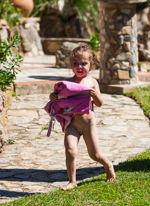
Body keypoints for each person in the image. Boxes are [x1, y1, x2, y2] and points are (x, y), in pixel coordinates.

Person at [49, 44, 115, 190]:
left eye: (83, 63)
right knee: (70, 151)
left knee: (95, 154)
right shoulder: (68, 83)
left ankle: (108, 165)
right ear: (71, 65)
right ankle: (72, 181)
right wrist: (52, 96)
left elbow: (100, 103)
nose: (79, 66)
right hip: (72, 123)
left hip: (88, 124)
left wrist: (94, 96)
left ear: (91, 66)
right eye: (75, 63)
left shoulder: (92, 83)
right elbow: (55, 96)